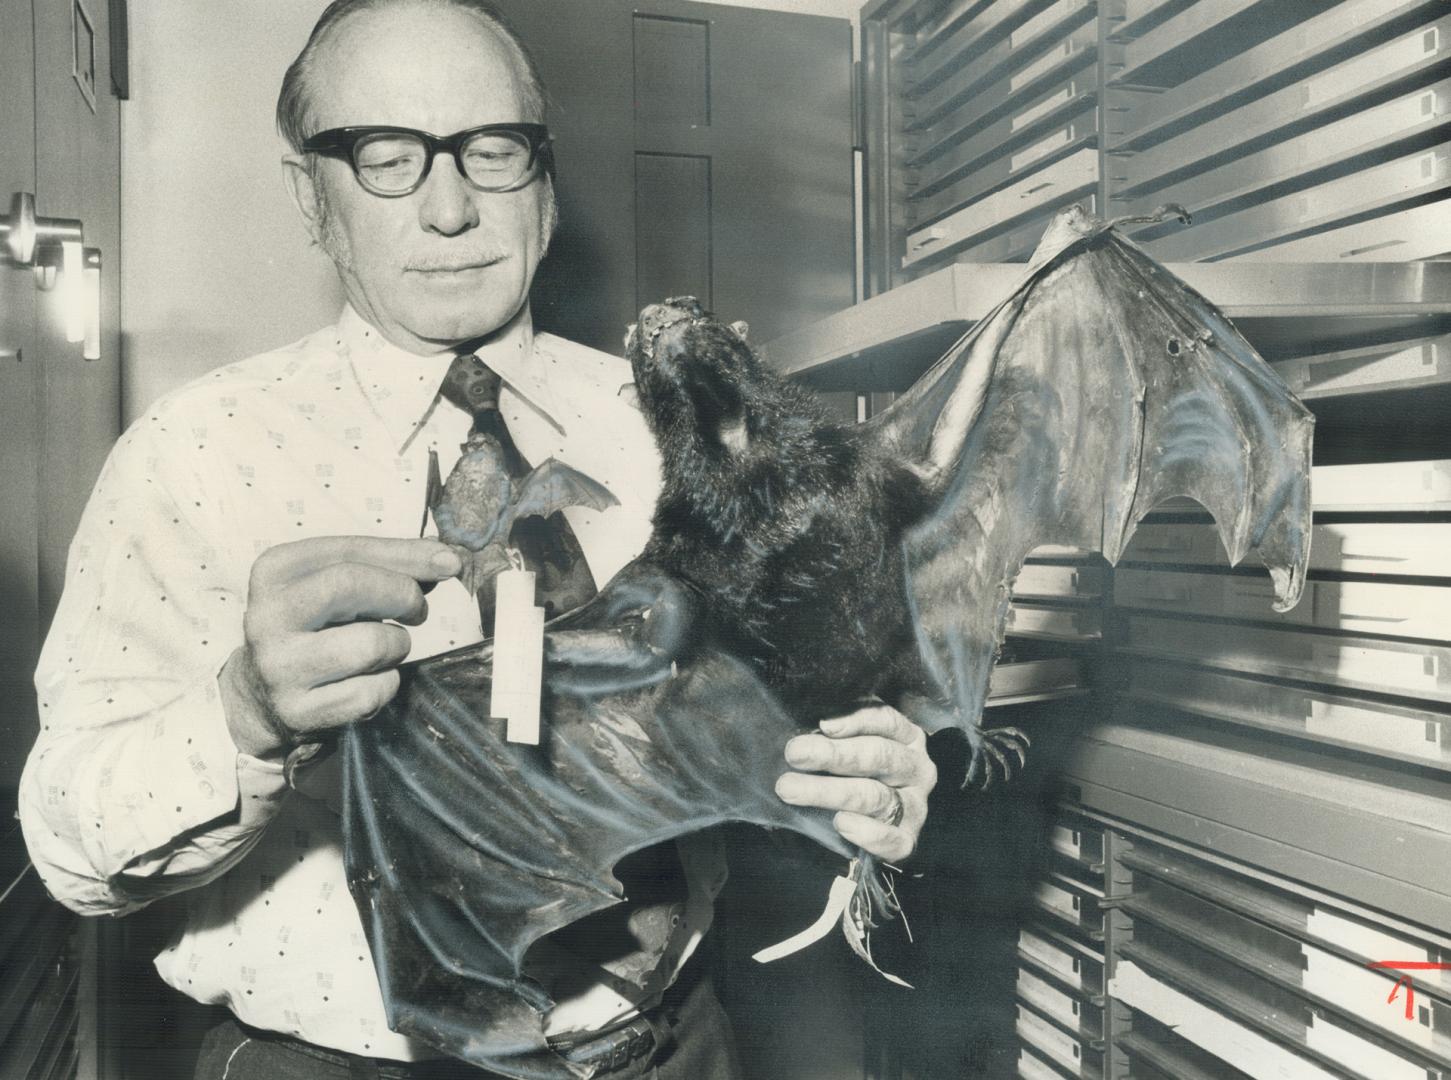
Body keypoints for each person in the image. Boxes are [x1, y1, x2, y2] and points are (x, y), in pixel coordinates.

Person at [19, 2, 938, 1077]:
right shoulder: (193, 455)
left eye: (491, 151)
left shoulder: (673, 427)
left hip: (672, 1045)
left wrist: (874, 775)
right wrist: (242, 715)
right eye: (386, 159)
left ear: (544, 180)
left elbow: (809, 705)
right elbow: (65, 849)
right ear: (308, 197)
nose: (449, 207)